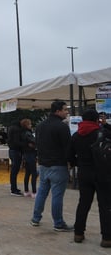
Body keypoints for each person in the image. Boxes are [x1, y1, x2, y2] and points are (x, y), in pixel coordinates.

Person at [67, 109, 111, 247]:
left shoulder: (76, 135)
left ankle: (78, 233)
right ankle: (107, 238)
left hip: (84, 173)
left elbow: (69, 156)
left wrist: (78, 164)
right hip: (103, 173)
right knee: (105, 205)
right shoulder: (102, 133)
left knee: (83, 203)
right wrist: (106, 124)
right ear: (96, 119)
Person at [30, 101, 73, 231]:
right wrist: (70, 162)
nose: (67, 112)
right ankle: (58, 223)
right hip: (58, 165)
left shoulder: (40, 126)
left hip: (43, 164)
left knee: (42, 192)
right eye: (65, 110)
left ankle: (35, 218)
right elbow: (68, 147)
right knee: (57, 195)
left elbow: (36, 144)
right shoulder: (62, 126)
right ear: (57, 111)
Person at [20, 119, 38, 198]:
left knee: (27, 173)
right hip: (30, 154)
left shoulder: (23, 133)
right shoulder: (28, 133)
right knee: (34, 173)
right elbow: (34, 141)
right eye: (30, 124)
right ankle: (34, 192)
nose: (31, 125)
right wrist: (34, 145)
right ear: (26, 125)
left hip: (26, 155)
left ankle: (26, 191)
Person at [7, 119, 25, 196]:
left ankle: (13, 187)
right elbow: (17, 142)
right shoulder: (17, 130)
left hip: (11, 151)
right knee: (15, 171)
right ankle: (14, 190)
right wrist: (25, 144)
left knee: (13, 171)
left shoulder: (10, 128)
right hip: (16, 151)